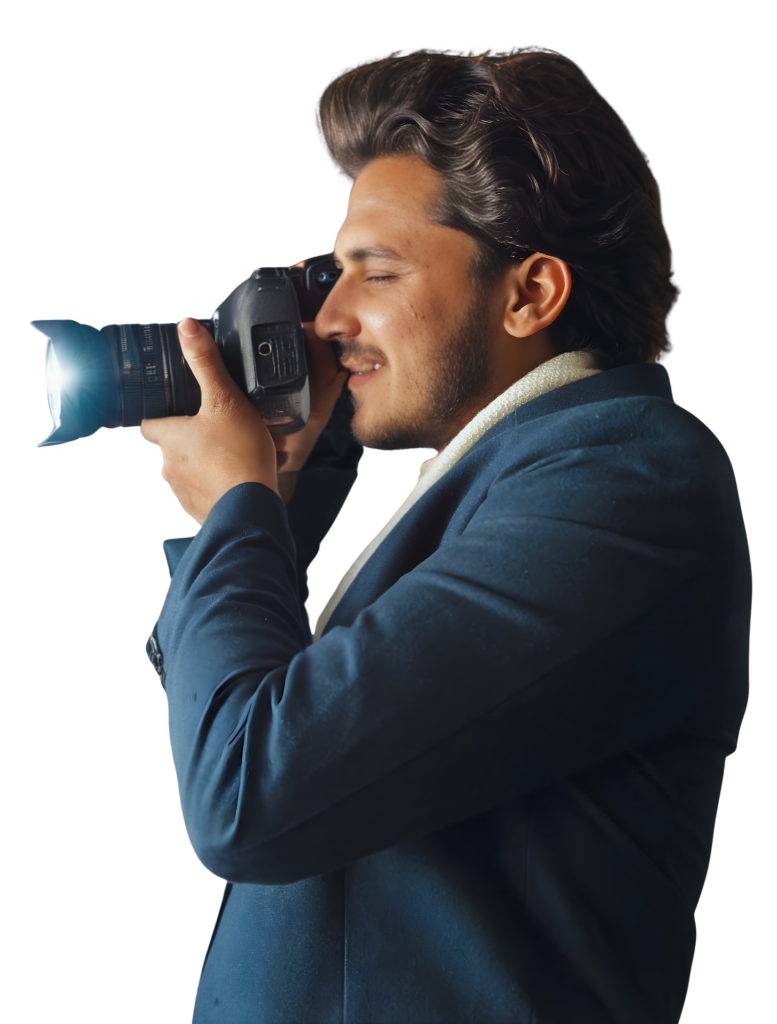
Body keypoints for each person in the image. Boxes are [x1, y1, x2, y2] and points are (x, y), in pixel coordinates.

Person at [141, 46, 751, 1024]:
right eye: (331, 274)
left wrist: (236, 506)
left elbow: (247, 795)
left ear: (530, 294)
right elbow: (225, 703)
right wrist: (285, 484)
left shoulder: (628, 478)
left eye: (376, 273)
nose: (328, 318)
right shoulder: (502, 480)